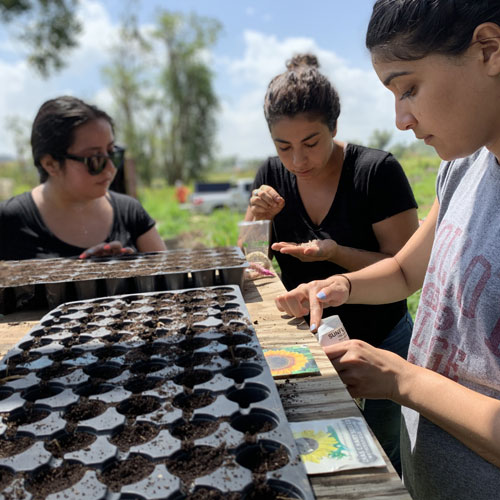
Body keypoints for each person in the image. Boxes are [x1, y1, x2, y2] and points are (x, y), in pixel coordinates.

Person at [274, 2, 500, 499]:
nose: (401, 119)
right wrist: (340, 285)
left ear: (489, 49)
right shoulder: (465, 169)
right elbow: (402, 272)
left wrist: (399, 379)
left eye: (409, 88)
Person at [244, 53, 419, 474]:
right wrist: (256, 219)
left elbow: (404, 266)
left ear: (335, 128)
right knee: (323, 454)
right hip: (308, 345)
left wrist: (334, 253)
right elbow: (253, 262)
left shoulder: (376, 172)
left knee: (388, 455)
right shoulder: (271, 174)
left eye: (311, 143)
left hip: (382, 338)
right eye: (283, 147)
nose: (297, 161)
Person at [0, 96, 166, 261]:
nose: (111, 168)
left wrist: (132, 274)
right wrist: (82, 278)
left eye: (113, 153)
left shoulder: (130, 212)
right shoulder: (8, 221)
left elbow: (172, 277)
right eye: (94, 159)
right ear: (50, 164)